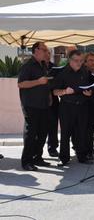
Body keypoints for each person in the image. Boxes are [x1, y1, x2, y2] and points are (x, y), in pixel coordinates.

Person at [53, 50, 93, 166]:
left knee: (81, 132)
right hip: (67, 107)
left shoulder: (85, 72)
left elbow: (89, 87)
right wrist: (65, 91)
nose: (79, 63)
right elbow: (55, 92)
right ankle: (64, 158)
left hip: (82, 107)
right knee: (65, 133)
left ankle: (82, 156)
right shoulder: (62, 73)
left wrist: (89, 93)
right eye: (76, 61)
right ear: (70, 60)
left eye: (81, 61)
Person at [18, 42, 51, 171]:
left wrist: (48, 95)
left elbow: (45, 83)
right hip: (31, 105)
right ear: (36, 50)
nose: (46, 52)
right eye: (44, 50)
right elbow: (21, 84)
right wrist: (38, 81)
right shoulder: (27, 65)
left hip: (43, 104)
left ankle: (37, 157)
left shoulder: (42, 65)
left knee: (43, 132)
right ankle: (26, 161)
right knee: (31, 134)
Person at [44, 49, 60, 157]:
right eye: (46, 53)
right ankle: (37, 151)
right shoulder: (37, 67)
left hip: (54, 99)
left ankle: (52, 148)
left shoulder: (54, 67)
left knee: (53, 124)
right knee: (41, 126)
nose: (48, 55)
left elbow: (58, 81)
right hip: (41, 100)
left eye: (50, 53)